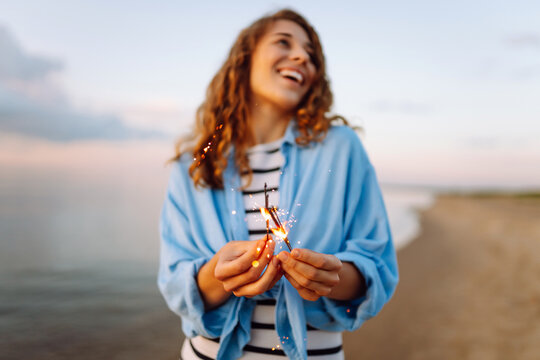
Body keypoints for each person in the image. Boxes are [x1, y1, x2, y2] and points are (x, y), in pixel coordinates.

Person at [158, 9, 398, 360]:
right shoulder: (193, 164)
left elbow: (376, 268)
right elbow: (176, 286)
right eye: (283, 42)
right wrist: (217, 275)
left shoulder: (342, 148)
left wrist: (333, 277)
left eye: (311, 55)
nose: (301, 56)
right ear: (245, 59)